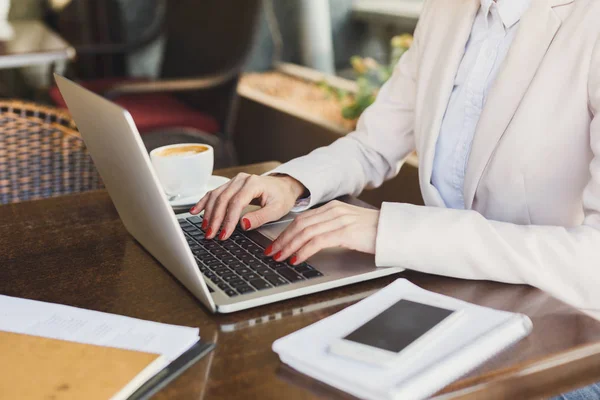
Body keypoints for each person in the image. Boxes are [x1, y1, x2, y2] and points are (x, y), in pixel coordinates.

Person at [191, 0, 600, 396]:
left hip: (563, 336)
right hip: (448, 297)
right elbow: (373, 145)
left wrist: (393, 230)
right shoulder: (447, 10)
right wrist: (289, 182)